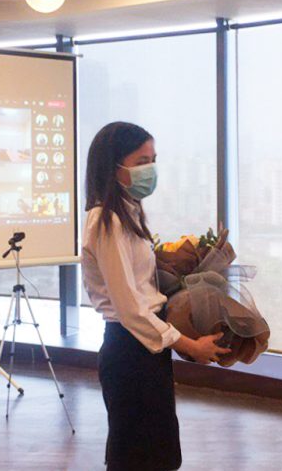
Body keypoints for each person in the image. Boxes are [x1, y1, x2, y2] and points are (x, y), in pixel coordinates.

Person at [82, 121, 229, 471]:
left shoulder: (128, 214)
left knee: (158, 453)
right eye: (141, 161)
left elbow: (142, 287)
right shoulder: (106, 221)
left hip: (146, 350)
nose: (151, 169)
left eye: (154, 159)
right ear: (114, 167)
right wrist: (190, 346)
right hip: (129, 348)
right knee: (136, 455)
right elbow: (130, 308)